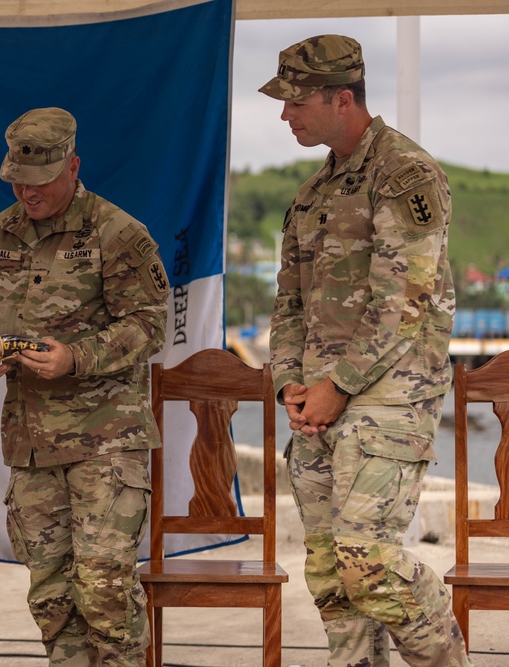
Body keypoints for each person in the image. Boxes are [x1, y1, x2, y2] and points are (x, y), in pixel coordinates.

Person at [261, 35, 470, 666]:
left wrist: (337, 386)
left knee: (368, 565)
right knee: (329, 574)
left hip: (388, 399)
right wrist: (289, 386)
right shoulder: (312, 194)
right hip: (319, 405)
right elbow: (288, 305)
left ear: (341, 97)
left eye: (296, 101)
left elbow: (403, 301)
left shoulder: (406, 174)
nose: (285, 114)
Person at [0, 107, 169, 666]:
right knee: (51, 597)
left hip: (106, 443)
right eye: (18, 182)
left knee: (104, 592)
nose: (28, 192)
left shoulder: (117, 232)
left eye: (41, 181)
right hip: (31, 444)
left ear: (74, 166)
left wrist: (78, 357)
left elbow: (149, 325)